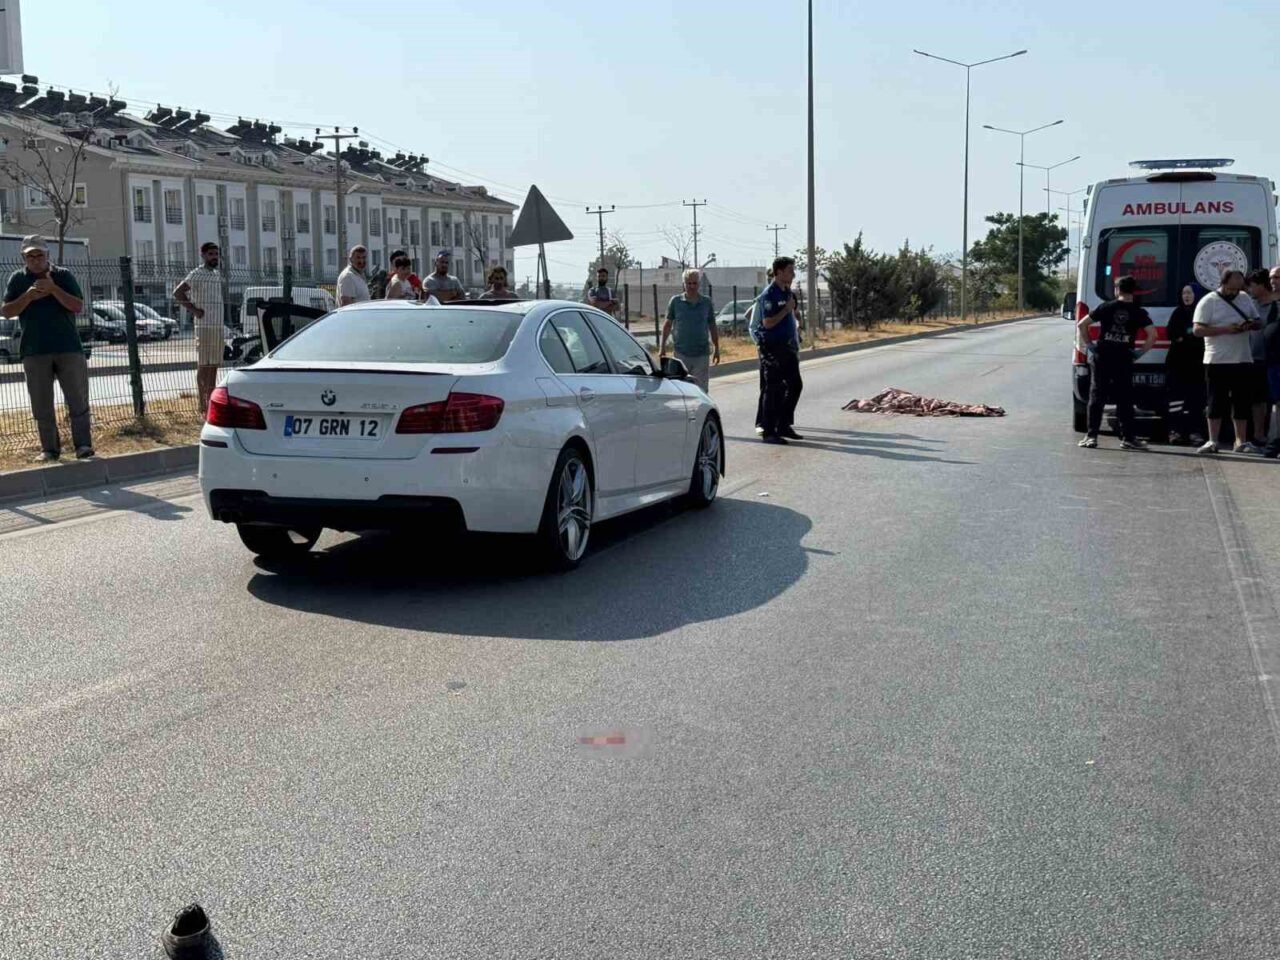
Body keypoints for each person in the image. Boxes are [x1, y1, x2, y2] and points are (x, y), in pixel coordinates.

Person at [2, 235, 92, 461]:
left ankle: (83, 446)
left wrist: (53, 289)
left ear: (47, 255)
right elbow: (7, 311)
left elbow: (77, 306)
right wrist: (29, 296)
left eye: (39, 255)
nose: (35, 260)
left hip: (68, 348)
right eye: (30, 256)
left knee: (77, 400)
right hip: (34, 350)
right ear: (23, 257)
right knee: (41, 403)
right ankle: (49, 450)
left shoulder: (63, 276)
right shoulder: (17, 279)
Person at [1076, 275, 1157, 450]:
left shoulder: (1106, 307)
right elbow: (1153, 335)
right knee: (1125, 399)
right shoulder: (1138, 311)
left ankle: (1091, 437)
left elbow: (1082, 325)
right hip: (1124, 359)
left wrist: (1090, 345)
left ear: (1117, 289)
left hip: (1103, 357)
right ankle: (1128, 438)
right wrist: (1138, 353)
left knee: (1097, 397)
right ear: (1133, 291)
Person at [1193, 268, 1262, 455]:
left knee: (1242, 403)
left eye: (1239, 284)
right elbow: (1198, 330)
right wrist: (1226, 330)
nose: (1237, 289)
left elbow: (1258, 321)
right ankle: (1212, 441)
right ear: (1224, 282)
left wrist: (1248, 325)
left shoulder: (1244, 298)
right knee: (1215, 402)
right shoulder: (1209, 301)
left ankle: (1241, 441)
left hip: (1242, 358)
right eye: (1234, 284)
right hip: (1217, 360)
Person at [174, 242, 227, 414]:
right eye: (211, 254)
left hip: (217, 325)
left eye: (216, 254)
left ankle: (211, 401)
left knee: (214, 366)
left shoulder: (216, 274)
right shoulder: (197, 274)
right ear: (203, 255)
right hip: (204, 326)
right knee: (204, 365)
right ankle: (201, 404)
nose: (214, 257)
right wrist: (194, 310)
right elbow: (178, 293)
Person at [755, 256, 804, 443]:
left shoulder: (787, 293)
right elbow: (767, 323)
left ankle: (783, 424)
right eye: (790, 270)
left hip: (787, 347)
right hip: (771, 348)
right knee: (773, 388)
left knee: (795, 385)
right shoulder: (769, 294)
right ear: (779, 272)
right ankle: (768, 430)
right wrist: (786, 310)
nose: (793, 273)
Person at [659, 268, 719, 392]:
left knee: (701, 391)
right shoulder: (676, 302)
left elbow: (712, 326)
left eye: (694, 283)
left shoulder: (706, 302)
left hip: (701, 354)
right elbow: (667, 325)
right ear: (684, 284)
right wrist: (662, 347)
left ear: (699, 284)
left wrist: (717, 348)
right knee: (683, 390)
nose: (692, 286)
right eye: (689, 283)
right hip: (681, 353)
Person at [1164, 284, 1206, 446]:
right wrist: (1190, 335)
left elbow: (1200, 334)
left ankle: (1196, 432)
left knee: (1196, 399)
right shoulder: (1178, 312)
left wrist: (1187, 336)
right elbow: (1172, 333)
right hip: (1177, 363)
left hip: (1197, 363)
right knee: (1175, 398)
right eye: (1183, 293)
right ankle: (1175, 431)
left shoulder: (1203, 312)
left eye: (1189, 293)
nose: (1186, 296)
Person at [1244, 268, 1275, 447]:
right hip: (1250, 357)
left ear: (1263, 286)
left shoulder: (1275, 306)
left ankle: (1266, 435)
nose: (1250, 290)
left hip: (1269, 358)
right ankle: (1257, 435)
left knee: (1268, 399)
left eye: (1253, 286)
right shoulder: (1250, 304)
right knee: (1255, 399)